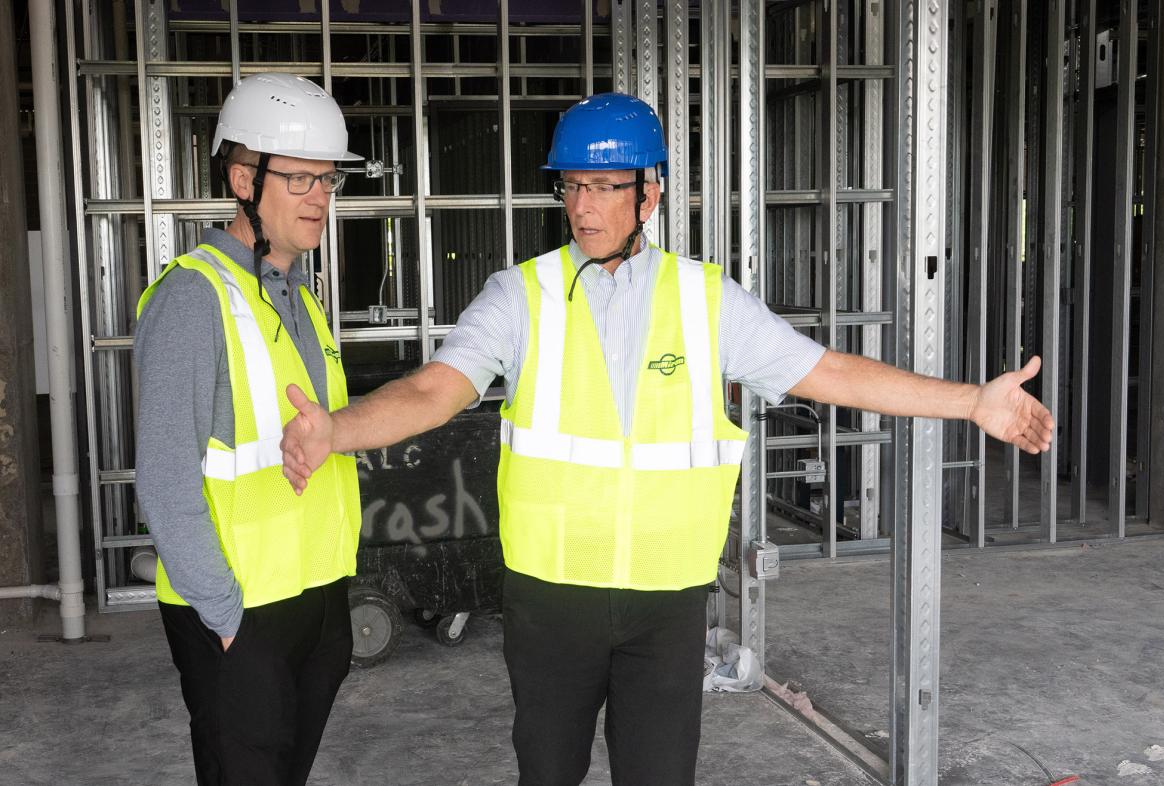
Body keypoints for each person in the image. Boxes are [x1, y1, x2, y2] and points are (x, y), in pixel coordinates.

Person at [279, 92, 1054, 785]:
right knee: (546, 774)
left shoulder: (705, 301)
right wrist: (336, 430)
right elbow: (432, 391)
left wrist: (970, 402)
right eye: (572, 185)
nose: (584, 206)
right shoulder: (522, 296)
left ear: (650, 193)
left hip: (666, 607)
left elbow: (832, 373)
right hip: (552, 602)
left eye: (606, 187)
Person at [134, 72, 363, 785]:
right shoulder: (193, 298)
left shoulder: (300, 296)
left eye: (328, 181)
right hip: (238, 612)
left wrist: (331, 618)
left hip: (315, 601)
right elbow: (167, 477)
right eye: (299, 179)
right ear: (242, 178)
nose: (319, 197)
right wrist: (227, 618)